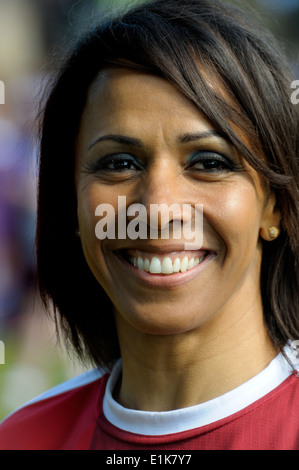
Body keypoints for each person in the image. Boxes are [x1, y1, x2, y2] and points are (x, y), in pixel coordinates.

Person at [0, 0, 299, 450]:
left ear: (273, 206)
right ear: (71, 204)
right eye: (119, 163)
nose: (158, 208)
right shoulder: (24, 438)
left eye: (209, 162)